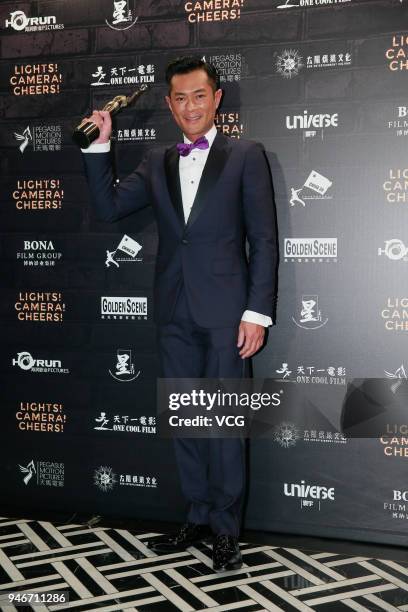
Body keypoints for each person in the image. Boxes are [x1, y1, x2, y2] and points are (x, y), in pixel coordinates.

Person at [81, 56, 277, 572]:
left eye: (199, 95)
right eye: (180, 98)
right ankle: (197, 514)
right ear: (169, 106)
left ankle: (227, 529)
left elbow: (263, 238)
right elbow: (107, 208)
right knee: (188, 418)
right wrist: (101, 144)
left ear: (216, 99)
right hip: (173, 309)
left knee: (224, 422)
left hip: (228, 313)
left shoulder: (246, 155)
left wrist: (257, 312)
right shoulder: (156, 161)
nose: (190, 106)